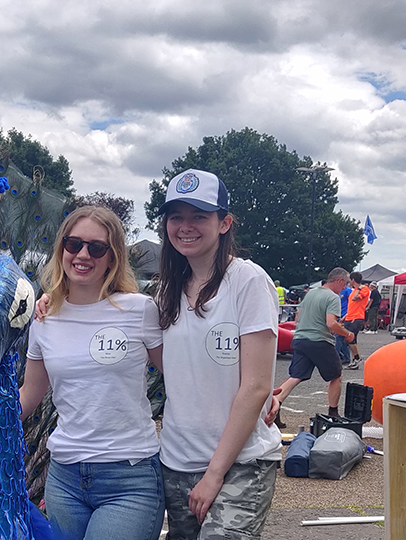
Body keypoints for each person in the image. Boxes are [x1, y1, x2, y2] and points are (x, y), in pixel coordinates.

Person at [18, 206, 166, 540]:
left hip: (128, 477)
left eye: (96, 248)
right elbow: (30, 393)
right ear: (62, 250)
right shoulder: (44, 318)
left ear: (113, 258)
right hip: (64, 478)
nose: (83, 255)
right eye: (73, 244)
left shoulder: (139, 310)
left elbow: (179, 374)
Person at [151, 169, 281, 539]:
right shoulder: (165, 293)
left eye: (199, 216)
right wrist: (50, 302)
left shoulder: (248, 281)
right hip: (176, 462)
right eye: (176, 216)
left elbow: (256, 386)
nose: (185, 226)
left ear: (224, 223)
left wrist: (214, 474)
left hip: (240, 462)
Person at [274, 267, 355, 419]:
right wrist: (347, 333)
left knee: (296, 376)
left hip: (300, 339)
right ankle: (333, 412)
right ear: (339, 281)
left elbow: (298, 316)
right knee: (336, 376)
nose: (345, 288)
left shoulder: (310, 293)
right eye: (345, 284)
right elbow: (331, 323)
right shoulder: (332, 297)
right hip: (319, 341)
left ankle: (276, 403)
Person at [342, 272, 368, 369]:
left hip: (357, 317)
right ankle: (354, 359)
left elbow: (355, 298)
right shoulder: (355, 290)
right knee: (350, 340)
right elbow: (352, 305)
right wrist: (345, 316)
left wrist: (359, 288)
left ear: (353, 280)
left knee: (350, 339)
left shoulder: (363, 289)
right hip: (350, 317)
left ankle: (357, 358)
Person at [335, 283, 352, 364]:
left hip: (344, 316)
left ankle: (336, 357)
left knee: (338, 337)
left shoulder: (348, 290)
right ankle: (345, 356)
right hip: (338, 315)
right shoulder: (338, 291)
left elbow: (352, 304)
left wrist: (346, 315)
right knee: (341, 338)